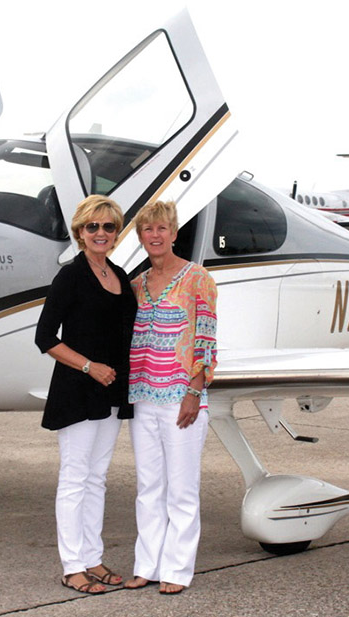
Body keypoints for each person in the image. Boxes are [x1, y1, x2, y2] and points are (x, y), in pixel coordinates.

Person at [34, 194, 137, 594]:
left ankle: (92, 558)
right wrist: (89, 367)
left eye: (108, 226)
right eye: (92, 226)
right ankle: (72, 566)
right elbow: (44, 338)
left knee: (97, 479)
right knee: (75, 478)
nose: (101, 233)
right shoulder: (71, 276)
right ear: (80, 232)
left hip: (110, 393)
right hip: (78, 390)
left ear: (116, 232)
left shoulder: (119, 274)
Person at [124, 200, 217, 595]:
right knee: (148, 489)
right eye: (148, 230)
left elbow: (207, 338)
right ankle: (146, 565)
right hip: (143, 397)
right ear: (140, 236)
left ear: (174, 233)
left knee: (181, 490)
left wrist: (195, 390)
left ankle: (177, 570)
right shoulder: (137, 285)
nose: (155, 236)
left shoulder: (198, 279)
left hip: (182, 398)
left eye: (162, 229)